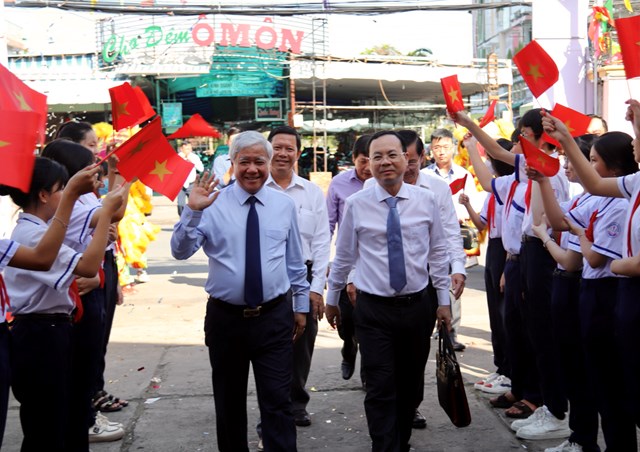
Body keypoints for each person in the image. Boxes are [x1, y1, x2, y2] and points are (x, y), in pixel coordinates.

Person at [171, 130, 310, 451]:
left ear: (269, 162)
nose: (252, 169)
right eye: (244, 161)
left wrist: (300, 305)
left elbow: (294, 261)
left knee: (277, 402)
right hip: (226, 320)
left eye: (259, 162)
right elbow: (179, 251)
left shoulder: (283, 205)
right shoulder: (210, 203)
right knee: (229, 402)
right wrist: (191, 212)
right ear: (231, 164)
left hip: (274, 317)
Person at [325, 130, 451, 452]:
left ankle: (401, 441)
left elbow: (438, 252)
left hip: (417, 308)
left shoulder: (427, 200)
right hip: (373, 310)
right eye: (376, 157)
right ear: (368, 163)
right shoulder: (356, 204)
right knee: (380, 386)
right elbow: (343, 256)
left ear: (406, 159)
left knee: (410, 387)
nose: (384, 162)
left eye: (391, 155)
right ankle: (385, 446)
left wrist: (443, 301)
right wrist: (332, 298)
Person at [2, 157, 125, 452]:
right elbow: (88, 265)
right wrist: (105, 212)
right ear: (44, 195)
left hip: (49, 330)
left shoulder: (37, 230)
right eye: (61, 189)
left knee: (57, 418)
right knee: (46, 426)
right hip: (39, 334)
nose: (66, 196)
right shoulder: (32, 234)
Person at [544, 108, 640, 450]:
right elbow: (588, 189)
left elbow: (599, 258)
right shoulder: (631, 185)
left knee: (619, 387)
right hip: (612, 295)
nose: (635, 144)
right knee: (610, 387)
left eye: (594, 158)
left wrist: (620, 266)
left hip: (614, 290)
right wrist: (565, 140)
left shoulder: (621, 197)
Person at [364, 129, 467, 429]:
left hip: (425, 286)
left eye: (410, 159)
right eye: (398, 156)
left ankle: (410, 407)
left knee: (414, 357)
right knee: (382, 364)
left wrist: (456, 268)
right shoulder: (370, 192)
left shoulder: (435, 189)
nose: (404, 166)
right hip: (380, 292)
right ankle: (386, 418)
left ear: (421, 158)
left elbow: (449, 232)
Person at [42, 140, 130, 447]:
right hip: (71, 300)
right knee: (75, 381)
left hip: (83, 288)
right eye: (90, 163)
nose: (97, 171)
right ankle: (85, 423)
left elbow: (111, 216)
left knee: (83, 372)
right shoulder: (70, 206)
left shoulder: (77, 201)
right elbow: (113, 215)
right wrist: (122, 179)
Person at [528, 134, 600, 452]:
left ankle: (583, 439)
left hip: (577, 286)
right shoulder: (580, 199)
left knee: (581, 372)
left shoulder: (602, 201)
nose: (569, 165)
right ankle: (578, 436)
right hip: (567, 285)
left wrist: (545, 238)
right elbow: (554, 219)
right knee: (570, 366)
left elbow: (571, 260)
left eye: (583, 159)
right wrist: (541, 181)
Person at [265, 126, 330, 428]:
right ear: (268, 150)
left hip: (301, 276)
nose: (282, 153)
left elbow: (320, 242)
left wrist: (316, 288)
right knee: (268, 345)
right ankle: (273, 407)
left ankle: (296, 403)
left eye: (289, 148)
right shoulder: (255, 188)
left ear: (298, 153)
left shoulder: (312, 192)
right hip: (266, 275)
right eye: (277, 147)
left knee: (301, 343)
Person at [459, 138, 514, 396]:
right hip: (493, 250)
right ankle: (501, 366)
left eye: (491, 160)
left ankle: (510, 371)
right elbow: (482, 225)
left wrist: (505, 270)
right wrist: (468, 204)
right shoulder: (495, 195)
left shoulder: (508, 192)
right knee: (495, 315)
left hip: (504, 251)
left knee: (506, 319)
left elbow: (509, 238)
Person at [422, 128, 482, 351]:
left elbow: (475, 205)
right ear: (430, 150)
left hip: (454, 233)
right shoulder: (424, 176)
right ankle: (429, 327)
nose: (441, 152)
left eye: (445, 147)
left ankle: (450, 332)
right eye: (436, 148)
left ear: (454, 149)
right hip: (428, 238)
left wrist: (463, 208)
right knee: (429, 282)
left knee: (453, 282)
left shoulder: (464, 174)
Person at [325, 134, 372, 383]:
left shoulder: (384, 185)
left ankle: (368, 374)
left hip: (373, 267)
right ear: (353, 159)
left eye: (370, 160)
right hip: (346, 263)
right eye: (361, 161)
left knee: (370, 326)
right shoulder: (339, 184)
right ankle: (348, 347)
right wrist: (325, 263)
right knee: (346, 322)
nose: (366, 168)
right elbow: (327, 226)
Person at [177, 140, 204, 216]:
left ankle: (193, 219)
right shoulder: (177, 157)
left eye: (189, 149)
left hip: (191, 183)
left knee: (193, 204)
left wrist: (192, 162)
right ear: (181, 149)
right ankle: (182, 219)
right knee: (180, 204)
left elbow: (201, 169)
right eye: (186, 149)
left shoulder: (194, 157)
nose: (188, 151)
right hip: (180, 184)